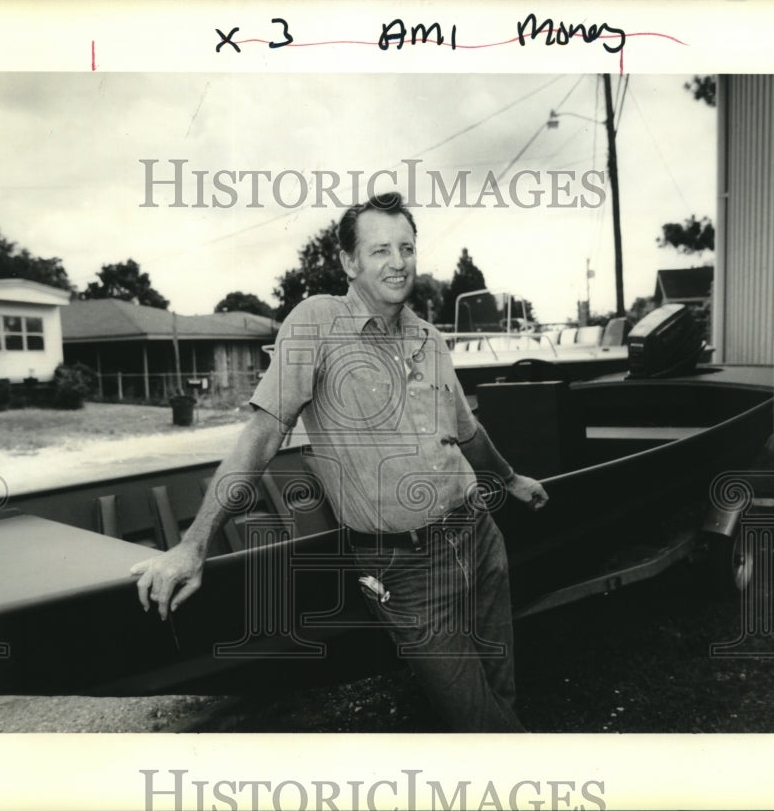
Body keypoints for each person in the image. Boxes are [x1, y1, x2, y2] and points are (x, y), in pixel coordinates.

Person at [131, 192, 548, 732]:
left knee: (500, 684)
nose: (398, 262)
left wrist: (510, 479)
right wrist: (194, 544)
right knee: (474, 718)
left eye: (407, 248)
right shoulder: (317, 324)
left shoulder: (429, 338)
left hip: (478, 535)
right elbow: (262, 433)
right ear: (350, 262)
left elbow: (468, 434)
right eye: (380, 251)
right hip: (405, 566)